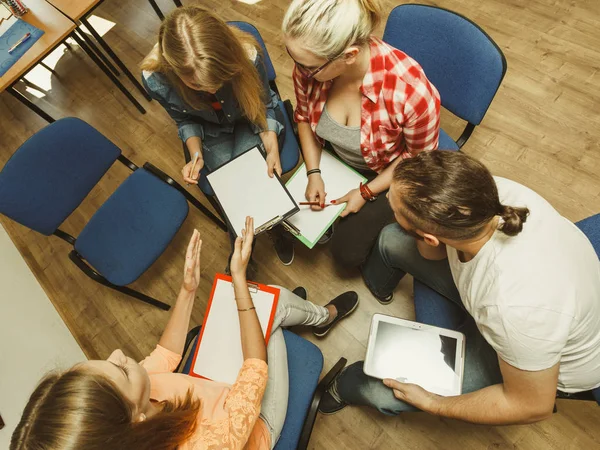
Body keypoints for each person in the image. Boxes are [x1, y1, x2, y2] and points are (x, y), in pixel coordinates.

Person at [10, 223, 359, 450]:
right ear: (136, 421)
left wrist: (187, 289)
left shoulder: (128, 412)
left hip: (212, 388)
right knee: (274, 305)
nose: (118, 352)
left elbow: (164, 356)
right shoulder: (208, 445)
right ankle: (321, 318)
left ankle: (299, 312)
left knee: (265, 302)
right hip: (256, 425)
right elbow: (255, 367)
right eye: (121, 370)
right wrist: (238, 280)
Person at [319, 151, 600, 424]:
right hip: (514, 305)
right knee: (392, 238)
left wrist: (433, 403)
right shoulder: (490, 194)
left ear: (430, 238)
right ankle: (380, 287)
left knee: (382, 390)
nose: (389, 210)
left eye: (394, 210)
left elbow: (531, 406)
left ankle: (342, 386)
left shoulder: (513, 309)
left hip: (530, 361)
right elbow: (435, 253)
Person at [282, 0, 440, 269]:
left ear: (350, 55)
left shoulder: (411, 93)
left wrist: (366, 192)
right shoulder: (309, 66)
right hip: (334, 155)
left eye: (310, 67)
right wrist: (313, 172)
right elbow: (304, 117)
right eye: (294, 58)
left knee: (346, 258)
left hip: (384, 171)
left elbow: (416, 159)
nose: (301, 71)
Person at [141, 6, 293, 268]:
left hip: (250, 120)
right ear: (175, 71)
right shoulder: (156, 80)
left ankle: (257, 235)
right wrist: (196, 154)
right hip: (210, 132)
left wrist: (271, 147)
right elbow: (184, 119)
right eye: (197, 85)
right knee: (234, 186)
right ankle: (261, 230)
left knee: (250, 179)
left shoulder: (246, 55)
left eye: (219, 79)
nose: (211, 88)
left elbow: (264, 105)